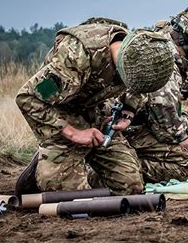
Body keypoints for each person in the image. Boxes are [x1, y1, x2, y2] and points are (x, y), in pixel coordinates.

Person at [15, 18, 174, 196]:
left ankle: (83, 171)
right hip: (62, 115)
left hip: (98, 113)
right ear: (124, 67)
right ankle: (43, 166)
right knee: (68, 196)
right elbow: (28, 98)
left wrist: (128, 111)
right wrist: (74, 133)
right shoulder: (74, 58)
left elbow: (140, 89)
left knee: (131, 188)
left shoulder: (141, 53)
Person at [124, 5, 188, 183]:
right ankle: (121, 169)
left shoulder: (163, 43)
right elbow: (171, 133)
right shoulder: (166, 71)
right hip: (129, 131)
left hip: (133, 123)